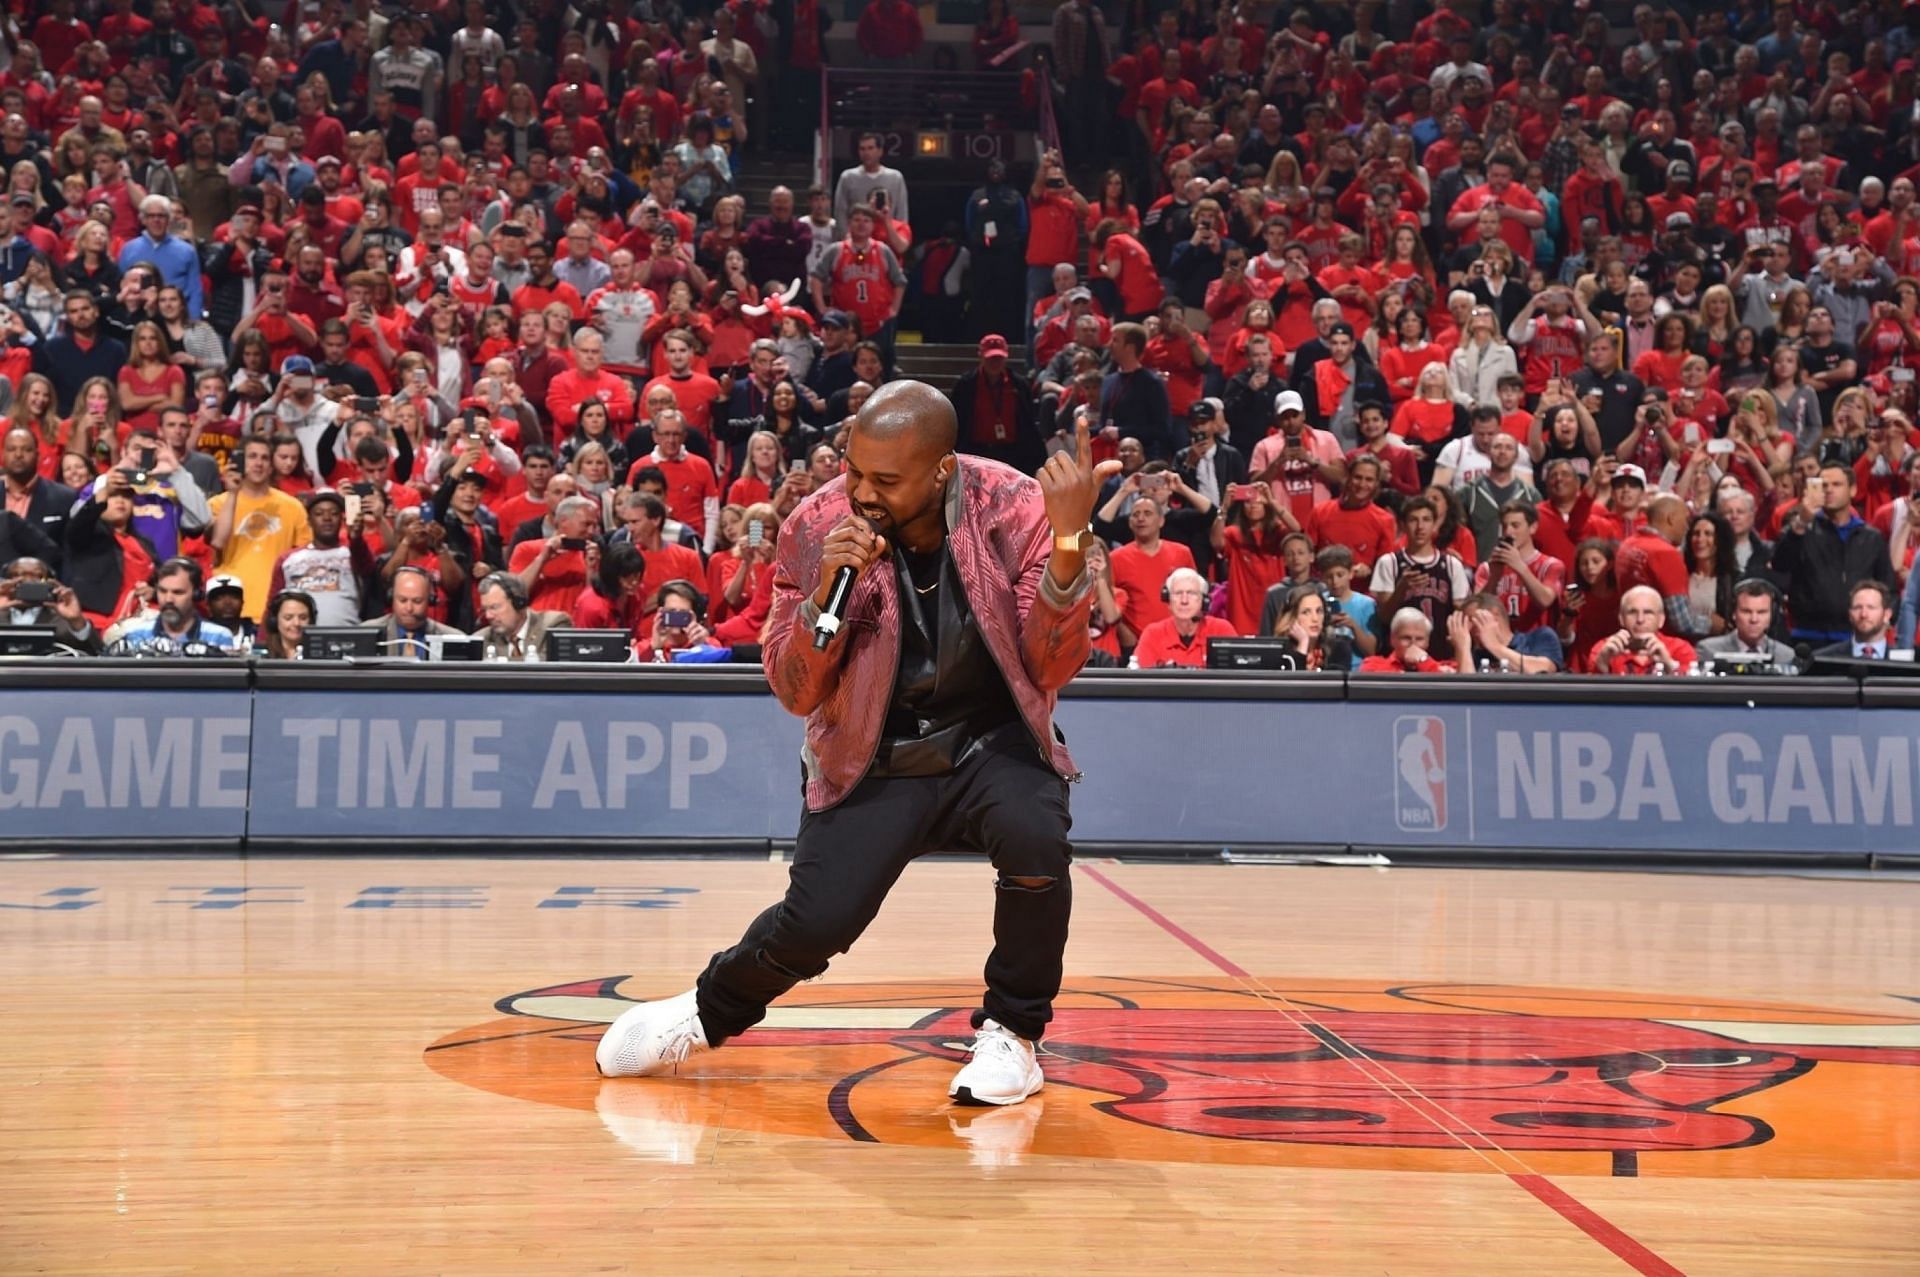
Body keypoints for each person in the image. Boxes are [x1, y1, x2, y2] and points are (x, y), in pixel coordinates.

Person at [596, 381, 1115, 1108]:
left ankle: (1015, 1033)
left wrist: (1069, 544)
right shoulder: (816, 524)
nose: (861, 492)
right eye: (854, 469)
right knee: (817, 923)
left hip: (991, 738)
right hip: (873, 749)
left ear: (941, 470)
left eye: (885, 480)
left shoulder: (1016, 506)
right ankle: (705, 1010)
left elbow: (1050, 665)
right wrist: (826, 595)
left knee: (1036, 840)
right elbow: (794, 689)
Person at [1771, 462, 1895, 644]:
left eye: (1836, 485)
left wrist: (1883, 622)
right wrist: (1802, 522)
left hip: (1857, 638)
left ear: (1852, 490)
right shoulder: (1801, 530)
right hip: (1807, 636)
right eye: (1823, 485)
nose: (1828, 490)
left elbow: (1888, 588)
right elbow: (1780, 564)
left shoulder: (1871, 538)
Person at [208, 435, 313, 622]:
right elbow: (218, 541)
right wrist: (233, 493)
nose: (259, 463)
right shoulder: (218, 504)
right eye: (252, 456)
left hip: (276, 609)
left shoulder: (292, 506)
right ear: (239, 460)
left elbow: (304, 559)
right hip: (230, 606)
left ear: (272, 465)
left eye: (265, 458)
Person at [1128, 567, 1236, 668]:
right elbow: (1141, 682)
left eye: (1191, 593)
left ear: (1204, 601)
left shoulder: (1222, 630)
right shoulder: (1153, 634)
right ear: (1168, 600)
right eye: (1178, 593)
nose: (1184, 600)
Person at [1590, 585, 1698, 675]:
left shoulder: (1681, 649)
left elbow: (1692, 692)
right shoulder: (1604, 649)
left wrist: (1669, 665)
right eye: (1632, 612)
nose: (1640, 619)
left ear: (1661, 620)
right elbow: (1591, 695)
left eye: (1648, 612)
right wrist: (1602, 665)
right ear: (1621, 619)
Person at [1698, 579, 1800, 672]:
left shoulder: (1786, 656)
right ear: (1733, 614)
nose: (1754, 619)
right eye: (1746, 611)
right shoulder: (1709, 651)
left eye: (1761, 612)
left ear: (1772, 615)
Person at [0, 556, 99, 651]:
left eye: (38, 576)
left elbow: (97, 653)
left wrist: (76, 621)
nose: (28, 581)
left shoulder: (62, 618)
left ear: (50, 582)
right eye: (17, 575)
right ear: (5, 580)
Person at [368, 563, 466, 658]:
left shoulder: (454, 639)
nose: (409, 608)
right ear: (391, 598)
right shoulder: (368, 633)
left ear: (430, 600)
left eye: (417, 601)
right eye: (402, 600)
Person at [475, 573, 570, 662]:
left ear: (519, 603)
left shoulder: (553, 626)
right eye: (485, 610)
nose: (488, 616)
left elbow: (552, 668)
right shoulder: (481, 639)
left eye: (494, 607)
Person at [1812, 580, 1903, 663]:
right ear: (1850, 614)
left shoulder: (1904, 660)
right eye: (1857, 608)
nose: (1863, 614)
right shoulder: (1824, 659)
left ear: (1887, 615)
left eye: (1871, 607)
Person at [1357, 607, 1463, 673]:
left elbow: (1448, 690)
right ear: (1392, 640)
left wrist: (1424, 661)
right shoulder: (1373, 665)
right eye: (1406, 638)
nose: (1413, 644)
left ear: (1427, 642)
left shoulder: (1445, 666)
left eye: (1419, 639)